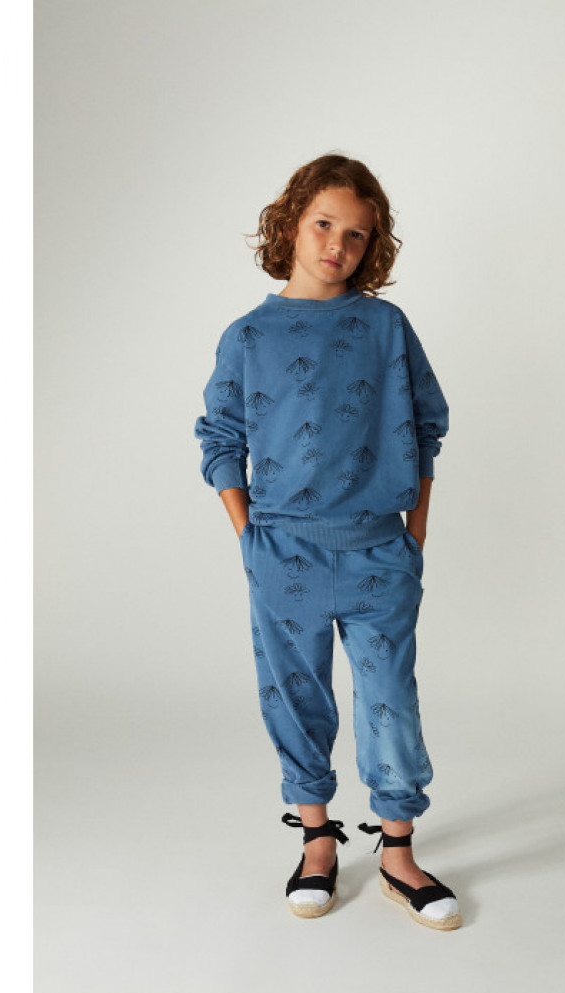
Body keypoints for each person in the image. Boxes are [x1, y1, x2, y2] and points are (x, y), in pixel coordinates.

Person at [194, 154, 459, 930]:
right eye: (323, 225)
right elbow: (220, 437)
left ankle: (399, 854)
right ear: (290, 223)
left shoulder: (385, 327)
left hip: (378, 550)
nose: (337, 244)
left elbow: (427, 426)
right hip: (284, 554)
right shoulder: (248, 335)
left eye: (356, 234)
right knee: (295, 695)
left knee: (390, 701)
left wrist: (414, 535)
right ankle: (317, 842)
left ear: (372, 246)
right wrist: (250, 535)